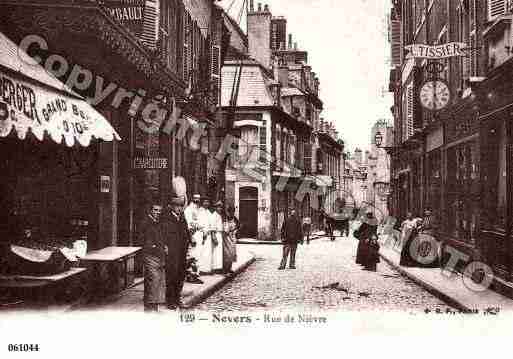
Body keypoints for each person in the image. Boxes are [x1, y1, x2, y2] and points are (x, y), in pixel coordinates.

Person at [162, 196, 191, 310]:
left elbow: (186, 231)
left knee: (181, 274)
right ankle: (170, 300)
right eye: (177, 206)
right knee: (171, 275)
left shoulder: (182, 218)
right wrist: (165, 246)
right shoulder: (167, 219)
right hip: (172, 251)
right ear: (172, 207)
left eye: (180, 206)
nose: (179, 209)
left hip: (182, 250)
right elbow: (163, 234)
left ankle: (178, 297)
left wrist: (189, 240)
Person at [140, 201, 166, 312]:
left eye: (159, 211)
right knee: (153, 278)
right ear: (151, 210)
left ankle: (152, 304)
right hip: (149, 254)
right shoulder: (146, 222)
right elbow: (142, 238)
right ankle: (150, 305)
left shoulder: (158, 222)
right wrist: (152, 246)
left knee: (156, 280)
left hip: (158, 255)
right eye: (155, 210)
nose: (157, 212)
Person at [183, 194, 203, 284]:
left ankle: (195, 274)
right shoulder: (188, 210)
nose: (197, 200)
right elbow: (188, 224)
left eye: (198, 199)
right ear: (192, 199)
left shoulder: (197, 209)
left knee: (197, 255)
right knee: (192, 255)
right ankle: (191, 275)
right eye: (195, 198)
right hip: (193, 235)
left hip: (199, 235)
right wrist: (191, 237)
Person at [197, 198, 213, 274]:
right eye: (205, 202)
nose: (206, 203)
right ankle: (201, 269)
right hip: (202, 234)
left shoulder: (208, 212)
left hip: (208, 234)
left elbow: (210, 222)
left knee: (207, 252)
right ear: (202, 203)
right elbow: (200, 223)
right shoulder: (200, 211)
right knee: (202, 252)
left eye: (208, 202)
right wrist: (204, 231)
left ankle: (206, 269)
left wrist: (209, 229)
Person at [223, 205, 239, 274]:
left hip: (233, 238)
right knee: (227, 254)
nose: (231, 213)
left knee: (232, 253)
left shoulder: (235, 219)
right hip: (226, 238)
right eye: (230, 212)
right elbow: (224, 228)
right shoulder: (225, 219)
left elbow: (239, 226)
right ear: (228, 212)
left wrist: (236, 230)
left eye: (233, 212)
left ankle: (229, 268)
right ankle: (225, 269)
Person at [211, 201, 224, 273]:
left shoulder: (219, 215)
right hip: (216, 234)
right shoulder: (214, 215)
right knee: (215, 251)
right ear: (215, 208)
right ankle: (215, 267)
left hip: (220, 234)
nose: (220, 209)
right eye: (218, 207)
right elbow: (213, 227)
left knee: (219, 252)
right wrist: (214, 237)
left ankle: (218, 267)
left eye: (221, 207)